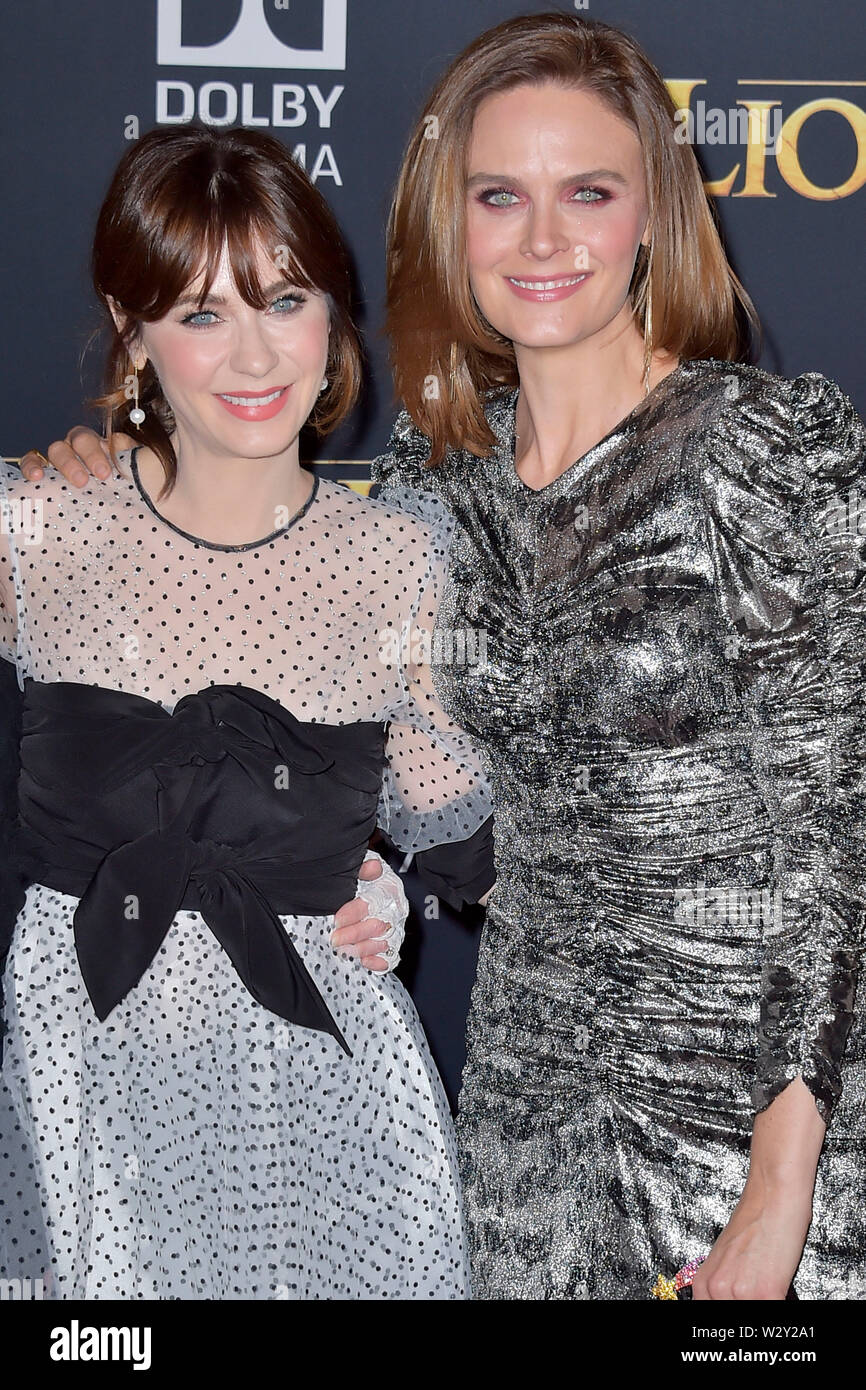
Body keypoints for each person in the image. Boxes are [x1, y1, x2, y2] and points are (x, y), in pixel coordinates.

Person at [26, 12, 866, 1302]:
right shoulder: (435, 489)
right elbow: (426, 786)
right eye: (499, 195)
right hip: (517, 1122)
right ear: (447, 217)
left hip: (740, 1118)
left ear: (652, 214)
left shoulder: (758, 451)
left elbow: (837, 837)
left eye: (586, 191)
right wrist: (369, 868)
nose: (541, 238)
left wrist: (780, 1187)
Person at [1, 124, 494, 1300]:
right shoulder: (36, 529)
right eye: (200, 313)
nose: (255, 353)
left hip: (329, 1111)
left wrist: (393, 881)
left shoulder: (404, 556)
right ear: (134, 331)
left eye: (282, 299)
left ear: (333, 315)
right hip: (85, 1105)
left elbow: (465, 833)